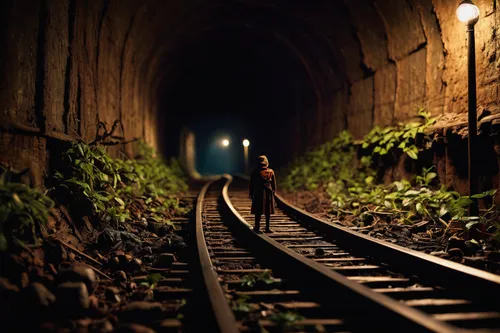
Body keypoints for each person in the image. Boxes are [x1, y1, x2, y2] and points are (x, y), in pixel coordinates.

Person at [249, 155, 277, 233]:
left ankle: (257, 226)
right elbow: (274, 184)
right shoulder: (271, 172)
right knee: (268, 211)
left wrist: (251, 193)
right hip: (268, 193)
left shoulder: (254, 172)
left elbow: (252, 184)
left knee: (258, 211)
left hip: (258, 193)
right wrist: (273, 192)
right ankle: (267, 228)